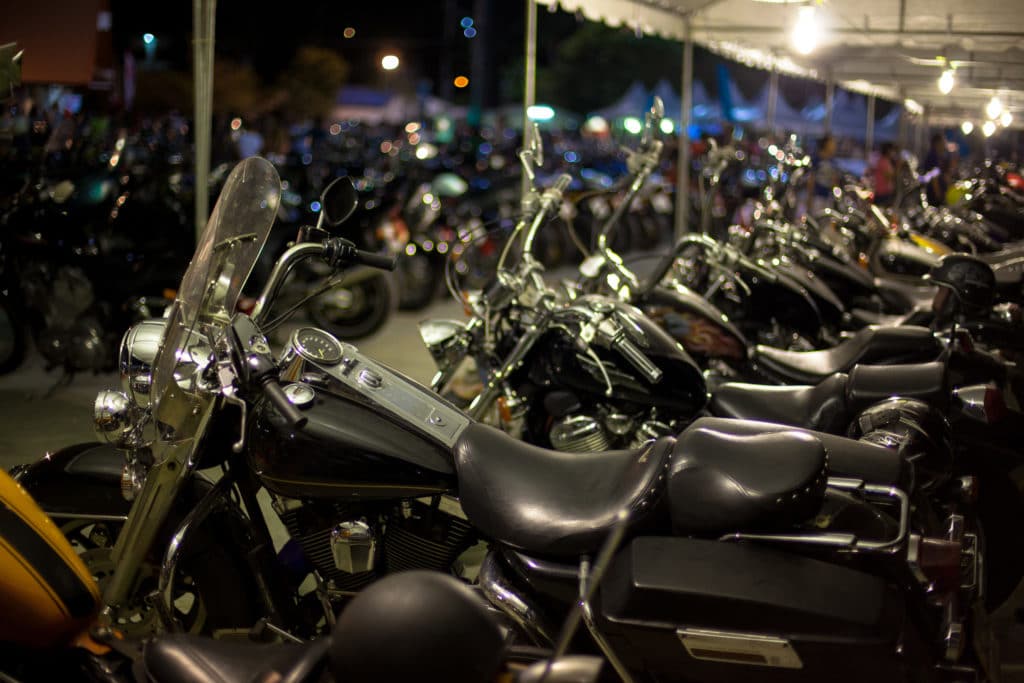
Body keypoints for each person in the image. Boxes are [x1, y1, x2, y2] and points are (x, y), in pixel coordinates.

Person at [806, 134, 839, 216]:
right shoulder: (817, 159)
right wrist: (810, 197)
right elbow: (811, 179)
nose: (834, 146)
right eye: (832, 144)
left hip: (828, 197)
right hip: (817, 197)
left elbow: (834, 180)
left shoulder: (833, 162)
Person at [922, 133, 950, 206]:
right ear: (937, 143)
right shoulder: (933, 157)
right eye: (944, 141)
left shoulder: (939, 156)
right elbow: (934, 178)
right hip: (934, 194)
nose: (945, 143)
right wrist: (938, 194)